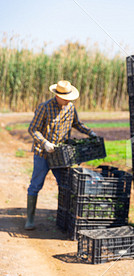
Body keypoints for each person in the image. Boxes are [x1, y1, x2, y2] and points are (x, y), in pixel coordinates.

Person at [25, 80, 97, 230]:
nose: (67, 101)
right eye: (65, 98)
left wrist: (90, 132)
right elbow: (33, 129)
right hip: (43, 153)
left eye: (69, 98)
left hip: (61, 154)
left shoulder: (70, 108)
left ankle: (62, 217)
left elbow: (77, 123)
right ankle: (30, 219)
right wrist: (45, 143)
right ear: (57, 96)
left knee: (64, 185)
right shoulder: (44, 107)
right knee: (36, 185)